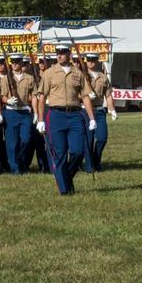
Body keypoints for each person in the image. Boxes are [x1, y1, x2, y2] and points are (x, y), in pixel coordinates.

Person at [38, 42, 95, 194]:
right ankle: (65, 190)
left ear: (70, 55)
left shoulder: (78, 73)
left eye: (63, 52)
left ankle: (66, 177)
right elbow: (42, 97)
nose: (59, 55)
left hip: (75, 114)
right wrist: (40, 120)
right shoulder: (49, 73)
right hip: (56, 115)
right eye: (57, 52)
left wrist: (92, 118)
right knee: (60, 153)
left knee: (78, 151)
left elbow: (85, 96)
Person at [1, 53, 36, 175]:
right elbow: (2, 96)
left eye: (17, 62)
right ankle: (15, 168)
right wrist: (8, 100)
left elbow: (34, 96)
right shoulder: (6, 78)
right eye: (13, 62)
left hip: (25, 111)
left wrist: (35, 113)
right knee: (12, 142)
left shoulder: (29, 78)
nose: (14, 64)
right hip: (11, 112)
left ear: (22, 63)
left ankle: (20, 161)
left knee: (26, 140)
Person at [83, 52, 117, 172]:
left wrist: (112, 110)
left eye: (93, 60)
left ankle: (96, 159)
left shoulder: (103, 77)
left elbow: (108, 95)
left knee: (102, 138)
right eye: (88, 60)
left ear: (97, 61)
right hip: (86, 111)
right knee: (89, 139)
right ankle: (90, 166)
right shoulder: (83, 75)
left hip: (99, 110)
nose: (90, 62)